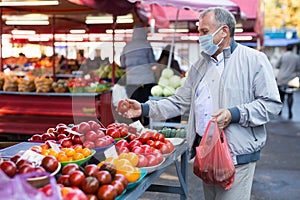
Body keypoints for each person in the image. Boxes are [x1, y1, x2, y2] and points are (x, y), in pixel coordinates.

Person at [116, 7, 282, 200]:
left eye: (204, 32)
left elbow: (271, 104)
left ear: (224, 31)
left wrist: (234, 114)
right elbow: (179, 102)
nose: (199, 37)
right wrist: (144, 108)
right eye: (199, 31)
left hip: (237, 156)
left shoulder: (254, 60)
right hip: (207, 153)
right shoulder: (200, 66)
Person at [120, 23, 157, 125]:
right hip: (146, 82)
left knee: (132, 106)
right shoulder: (147, 45)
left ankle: (136, 129)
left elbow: (122, 64)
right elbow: (153, 64)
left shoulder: (127, 47)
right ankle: (147, 128)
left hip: (131, 82)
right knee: (146, 107)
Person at [275, 44, 300, 119]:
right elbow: (298, 68)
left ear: (286, 48)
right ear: (292, 48)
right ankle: (289, 110)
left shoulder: (283, 56)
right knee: (290, 95)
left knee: (281, 95)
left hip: (281, 78)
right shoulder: (297, 57)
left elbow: (277, 66)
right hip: (291, 79)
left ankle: (280, 110)